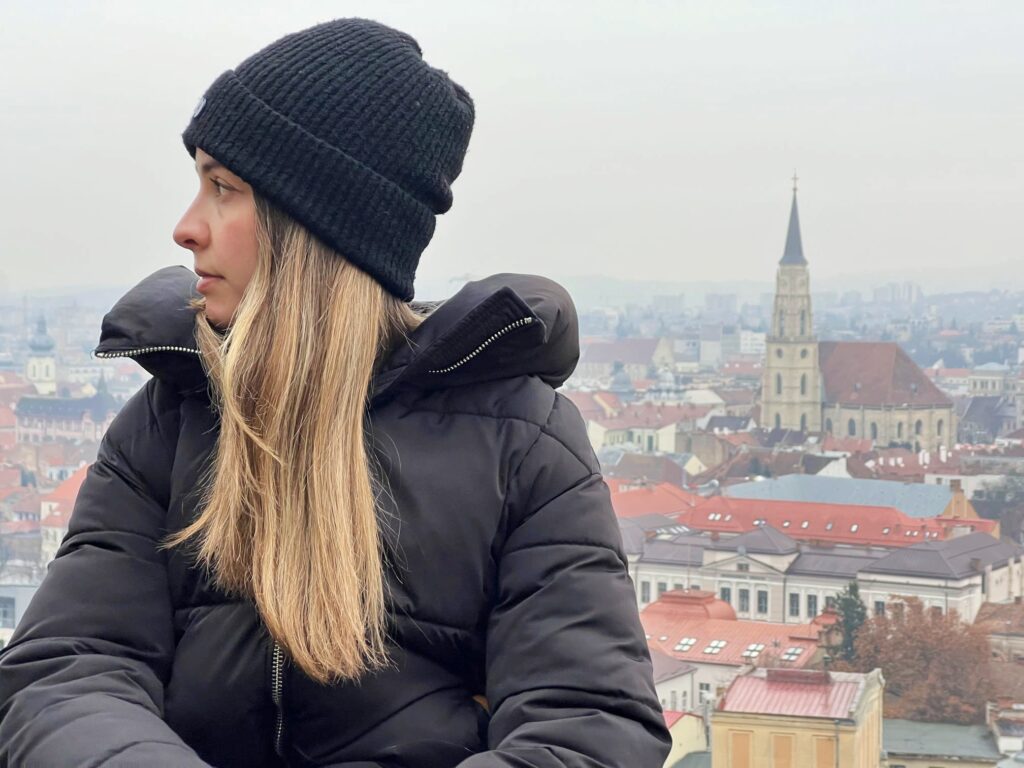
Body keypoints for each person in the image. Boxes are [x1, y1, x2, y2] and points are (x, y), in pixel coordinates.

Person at [0, 18, 670, 767]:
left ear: (318, 229)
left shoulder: (522, 445)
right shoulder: (169, 421)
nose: (186, 228)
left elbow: (587, 731)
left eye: (224, 189)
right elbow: (66, 675)